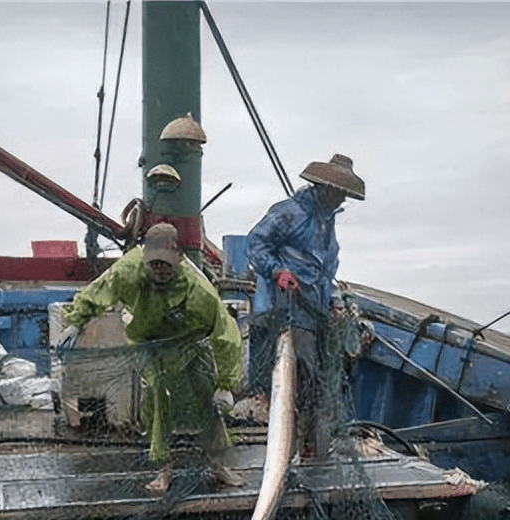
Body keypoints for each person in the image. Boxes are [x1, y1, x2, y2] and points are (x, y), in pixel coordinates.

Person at [59, 223, 243, 494]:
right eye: (153, 264)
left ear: (178, 258)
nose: (160, 270)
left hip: (189, 342)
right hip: (149, 342)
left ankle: (218, 465)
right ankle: (163, 470)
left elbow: (226, 334)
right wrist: (75, 322)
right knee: (158, 396)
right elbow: (96, 293)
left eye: (166, 264)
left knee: (206, 396)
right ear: (144, 258)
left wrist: (226, 383)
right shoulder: (126, 271)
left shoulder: (196, 289)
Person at [247, 153, 365, 459]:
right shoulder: (290, 212)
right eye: (334, 190)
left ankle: (311, 448)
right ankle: (291, 450)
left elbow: (326, 272)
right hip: (285, 312)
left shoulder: (328, 224)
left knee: (316, 385)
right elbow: (256, 243)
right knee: (296, 383)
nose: (337, 197)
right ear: (320, 186)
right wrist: (277, 271)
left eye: (342, 193)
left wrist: (331, 303)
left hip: (314, 316)